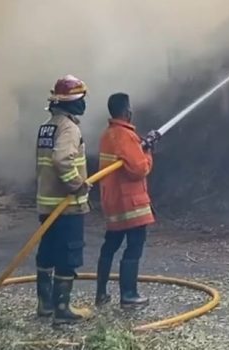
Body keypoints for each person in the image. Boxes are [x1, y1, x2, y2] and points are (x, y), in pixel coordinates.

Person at [35, 75, 92, 325]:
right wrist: (77, 184)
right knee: (68, 256)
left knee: (47, 253)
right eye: (82, 99)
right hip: (66, 206)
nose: (84, 104)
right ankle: (62, 309)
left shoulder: (48, 126)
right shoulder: (69, 128)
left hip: (47, 204)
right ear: (72, 102)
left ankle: (45, 305)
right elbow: (62, 160)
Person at [94, 93, 154, 307]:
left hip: (114, 202)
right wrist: (148, 153)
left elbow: (126, 160)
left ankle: (101, 293)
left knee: (110, 246)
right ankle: (129, 295)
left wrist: (143, 146)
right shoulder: (125, 135)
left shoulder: (107, 135)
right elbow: (138, 169)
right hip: (131, 204)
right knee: (134, 246)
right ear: (127, 111)